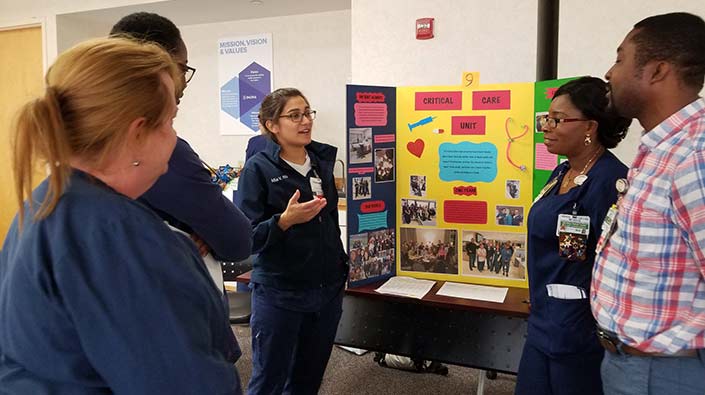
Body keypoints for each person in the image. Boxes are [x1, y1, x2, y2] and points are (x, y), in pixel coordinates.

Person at [0, 37, 241, 394]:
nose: (174, 137)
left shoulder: (43, 204)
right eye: (170, 122)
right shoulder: (125, 240)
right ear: (137, 133)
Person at [591, 13, 705, 394]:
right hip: (634, 365)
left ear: (657, 71)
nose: (610, 71)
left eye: (621, 58)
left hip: (668, 373)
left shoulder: (694, 154)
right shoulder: (661, 149)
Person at [110, 12, 252, 276]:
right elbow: (238, 240)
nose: (183, 83)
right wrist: (194, 236)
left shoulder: (49, 205)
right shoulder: (160, 150)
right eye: (182, 68)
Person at [515, 76, 631, 395]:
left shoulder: (611, 181)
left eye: (557, 119)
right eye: (546, 119)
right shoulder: (561, 173)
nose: (546, 127)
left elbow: (613, 261)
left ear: (590, 127)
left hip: (579, 331)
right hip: (543, 320)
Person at [235, 88, 348, 394]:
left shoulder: (321, 163)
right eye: (294, 115)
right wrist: (284, 221)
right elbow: (245, 239)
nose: (305, 121)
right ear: (272, 125)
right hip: (280, 293)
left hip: (326, 292)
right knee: (268, 381)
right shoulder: (258, 169)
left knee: (307, 380)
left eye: (308, 113)